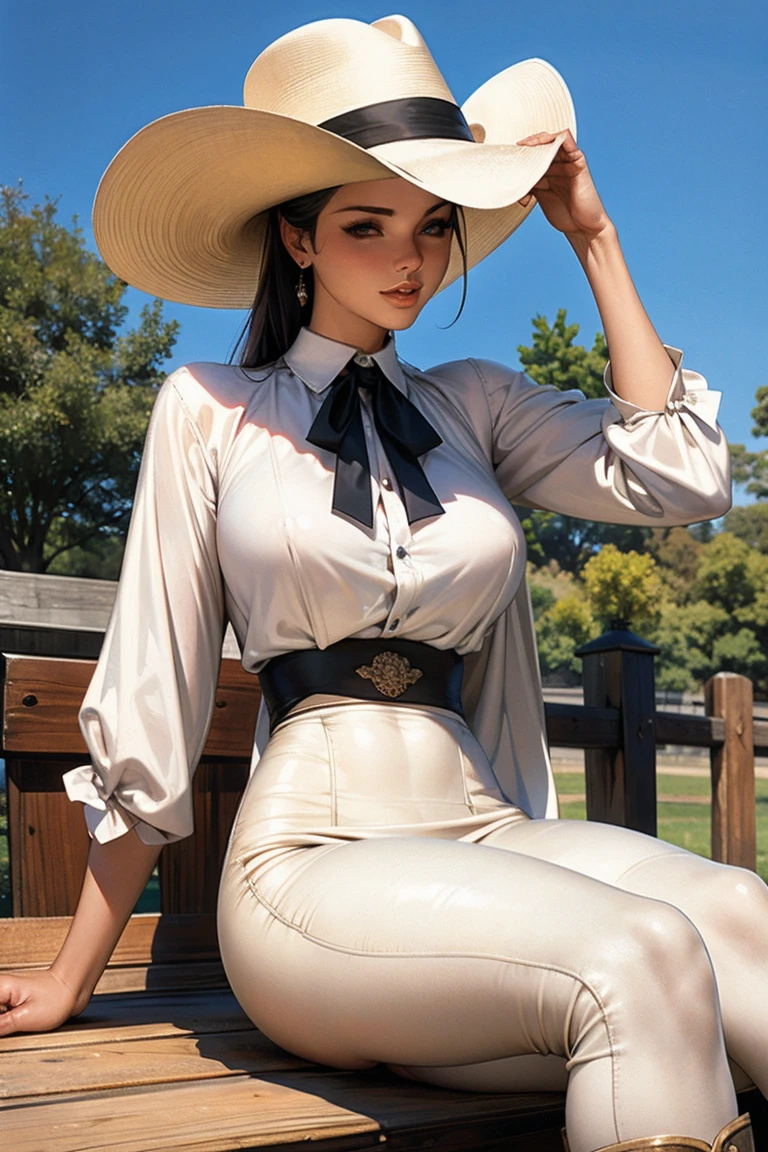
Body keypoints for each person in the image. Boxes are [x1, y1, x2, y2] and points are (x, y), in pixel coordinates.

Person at [0, 15, 762, 1152]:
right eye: (368, 226)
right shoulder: (209, 410)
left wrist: (591, 239)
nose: (411, 260)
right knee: (639, 954)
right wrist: (72, 976)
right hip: (311, 867)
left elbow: (688, 473)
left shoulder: (475, 406)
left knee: (740, 914)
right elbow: (154, 697)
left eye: (434, 227)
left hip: (484, 829)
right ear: (298, 240)